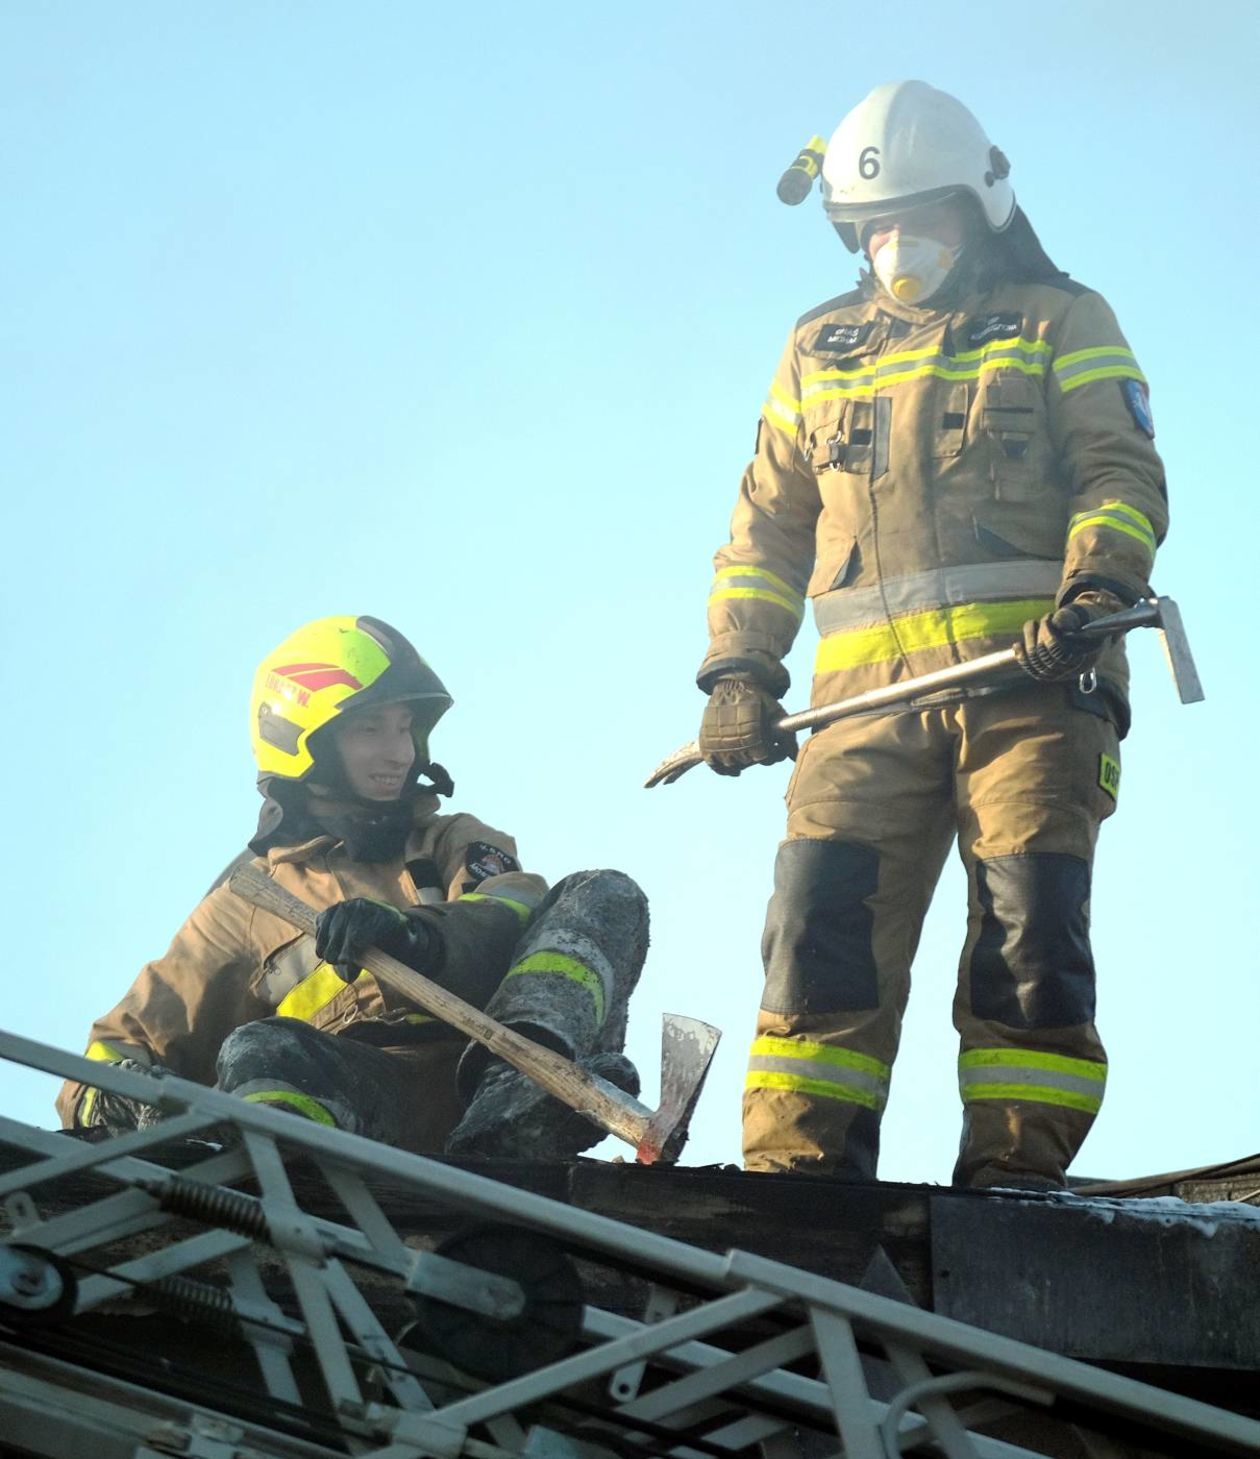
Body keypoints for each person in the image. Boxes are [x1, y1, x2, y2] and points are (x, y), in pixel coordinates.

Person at [695, 81, 1167, 1189]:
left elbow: (1121, 469)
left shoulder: (1063, 319)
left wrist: (1096, 588)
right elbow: (764, 528)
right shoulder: (820, 346)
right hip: (860, 712)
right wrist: (739, 671)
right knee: (817, 941)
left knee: (1029, 941)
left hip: (1038, 691)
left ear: (982, 207)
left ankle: (1014, 1186)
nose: (899, 245)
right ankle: (799, 1189)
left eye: (924, 219)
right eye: (876, 226)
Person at [58, 614, 646, 1157]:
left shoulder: (450, 839)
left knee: (603, 893)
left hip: (493, 1073)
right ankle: (291, 1187)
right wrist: (130, 1098)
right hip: (364, 1106)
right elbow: (118, 1047)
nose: (399, 752)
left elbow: (512, 910)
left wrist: (417, 936)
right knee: (262, 1050)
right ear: (302, 740)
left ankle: (515, 1105)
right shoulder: (241, 906)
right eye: (371, 729)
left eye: (406, 728)